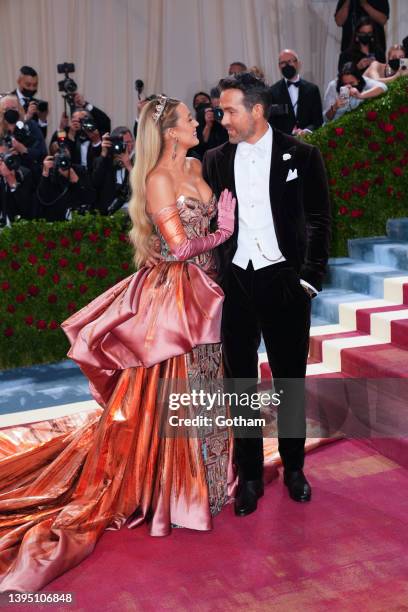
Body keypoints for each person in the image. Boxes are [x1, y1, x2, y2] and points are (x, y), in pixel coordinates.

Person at [0, 96, 237, 593]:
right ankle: (176, 489)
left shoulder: (196, 163)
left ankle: (213, 479)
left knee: (211, 382)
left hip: (208, 295)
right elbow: (178, 247)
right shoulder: (157, 179)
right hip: (175, 301)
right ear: (170, 131)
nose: (199, 122)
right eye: (189, 120)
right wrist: (224, 229)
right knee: (177, 391)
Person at [202, 72, 331, 516]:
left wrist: (309, 279)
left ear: (257, 110)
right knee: (241, 386)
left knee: (289, 379)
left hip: (284, 283)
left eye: (230, 111)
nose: (223, 119)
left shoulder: (304, 154)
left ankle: (295, 468)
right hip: (237, 284)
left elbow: (319, 219)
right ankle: (251, 477)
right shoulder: (215, 159)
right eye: (221, 111)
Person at [268, 49, 323, 136]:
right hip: (284, 143)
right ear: (279, 66)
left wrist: (306, 131)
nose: (287, 65)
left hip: (308, 142)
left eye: (290, 61)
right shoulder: (272, 91)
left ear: (298, 64)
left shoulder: (312, 89)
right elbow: (271, 122)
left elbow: (318, 120)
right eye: (283, 63)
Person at [36, 142, 96, 221]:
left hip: (76, 219)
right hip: (55, 220)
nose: (62, 161)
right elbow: (42, 200)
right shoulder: (49, 173)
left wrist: (76, 181)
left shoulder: (79, 170)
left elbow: (90, 198)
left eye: (65, 156)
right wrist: (45, 174)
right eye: (58, 158)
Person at [0, 94, 47, 182]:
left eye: (14, 108)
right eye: (6, 109)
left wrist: (24, 150)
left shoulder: (31, 126)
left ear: (20, 109)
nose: (10, 112)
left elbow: (42, 152)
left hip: (31, 177)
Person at [91, 126, 134, 214]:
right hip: (107, 215)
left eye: (129, 142)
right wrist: (103, 153)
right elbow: (95, 183)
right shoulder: (103, 161)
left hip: (132, 214)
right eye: (123, 142)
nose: (126, 146)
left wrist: (129, 166)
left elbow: (143, 188)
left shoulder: (138, 162)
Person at [0, 138, 34, 224]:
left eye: (2, 156)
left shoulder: (24, 174)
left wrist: (11, 180)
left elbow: (26, 209)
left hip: (15, 226)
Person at [10, 65, 49, 138]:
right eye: (28, 85)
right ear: (19, 81)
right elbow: (7, 130)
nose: (32, 89)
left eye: (35, 85)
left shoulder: (36, 104)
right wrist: (26, 117)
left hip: (33, 148)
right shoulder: (7, 101)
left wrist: (42, 119)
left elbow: (42, 137)